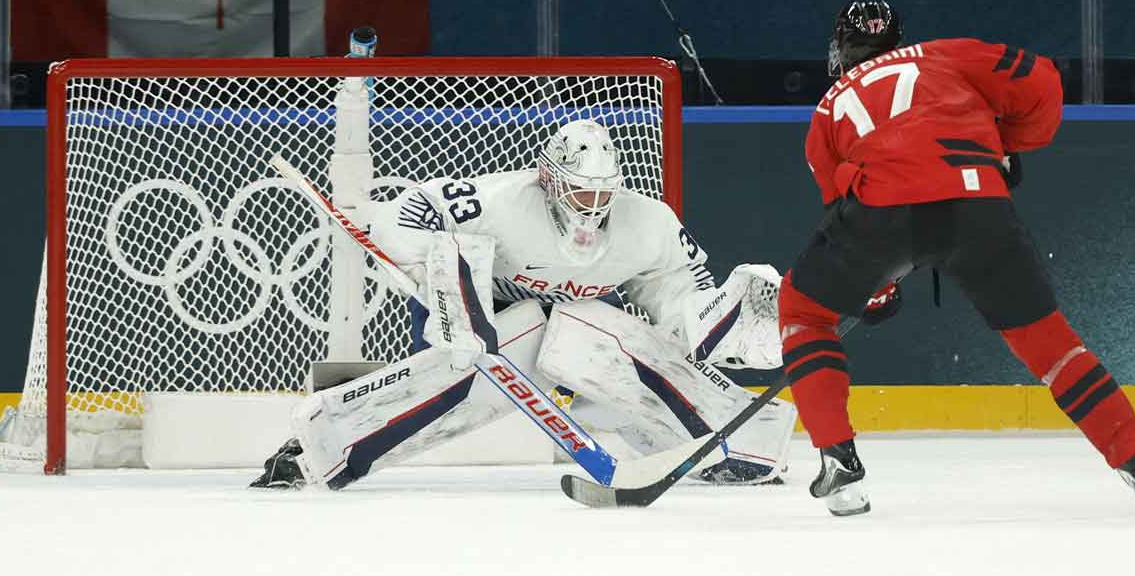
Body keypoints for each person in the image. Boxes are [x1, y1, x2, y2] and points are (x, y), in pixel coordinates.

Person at [250, 119, 797, 491]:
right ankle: (321, 444)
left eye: (603, 193)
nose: (593, 205)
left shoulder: (649, 221)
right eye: (581, 192)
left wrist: (718, 318)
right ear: (549, 180)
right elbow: (410, 210)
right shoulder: (498, 202)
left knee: (585, 328)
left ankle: (749, 442)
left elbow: (676, 295)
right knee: (512, 345)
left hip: (575, 336)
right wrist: (446, 278)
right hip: (476, 322)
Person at [779, 0, 1135, 517]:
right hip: (978, 201)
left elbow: (843, 213)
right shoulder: (945, 54)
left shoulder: (827, 111)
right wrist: (1003, 146)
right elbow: (1044, 80)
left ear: (841, 48)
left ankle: (838, 459)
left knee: (805, 313)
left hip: (882, 210)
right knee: (1047, 341)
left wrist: (878, 290)